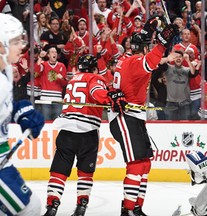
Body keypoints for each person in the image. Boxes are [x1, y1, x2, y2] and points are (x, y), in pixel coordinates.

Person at [108, 19, 179, 215]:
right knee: (137, 164)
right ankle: (129, 210)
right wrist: (162, 43)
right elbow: (151, 61)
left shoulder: (126, 58)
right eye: (147, 45)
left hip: (133, 116)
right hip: (125, 116)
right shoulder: (135, 61)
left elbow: (147, 58)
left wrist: (148, 30)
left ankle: (136, 207)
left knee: (145, 163)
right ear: (144, 47)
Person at [43, 54, 113, 216]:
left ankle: (52, 205)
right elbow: (97, 93)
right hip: (87, 132)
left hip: (66, 129)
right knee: (85, 172)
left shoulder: (73, 79)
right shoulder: (95, 78)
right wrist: (111, 98)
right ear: (94, 68)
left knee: (59, 170)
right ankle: (81, 206)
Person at [0, 13, 44, 215]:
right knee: (28, 209)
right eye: (16, 41)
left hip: (2, 160)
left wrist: (19, 111)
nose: (22, 46)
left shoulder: (7, 70)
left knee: (30, 207)